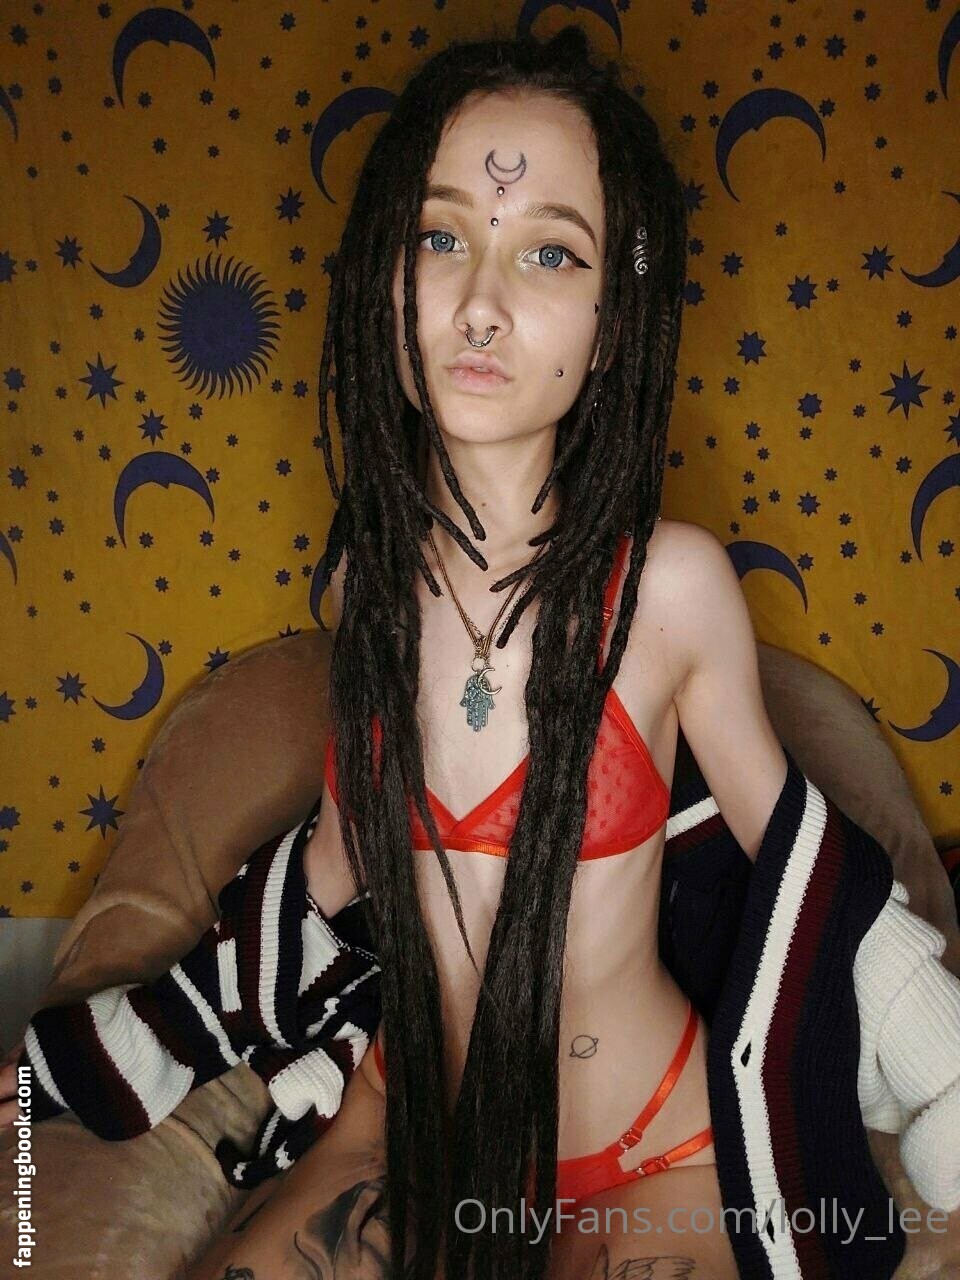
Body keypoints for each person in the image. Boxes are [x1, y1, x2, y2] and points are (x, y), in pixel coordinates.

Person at [3, 25, 960, 1280]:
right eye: (441, 237)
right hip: (412, 1126)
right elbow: (337, 861)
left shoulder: (668, 591)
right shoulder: (368, 589)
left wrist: (941, 1066)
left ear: (612, 324)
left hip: (651, 1144)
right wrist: (111, 1049)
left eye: (549, 251)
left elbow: (806, 859)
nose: (481, 303)